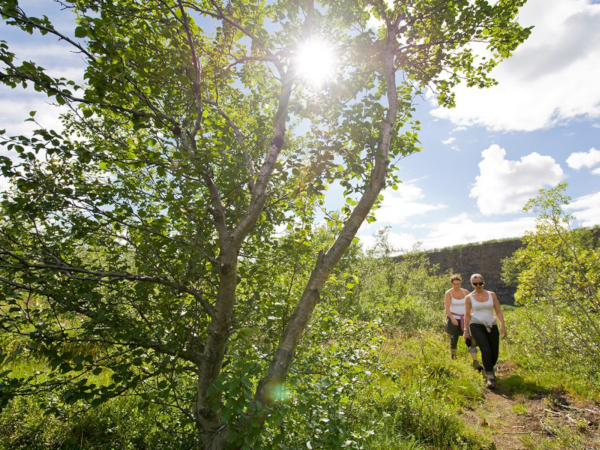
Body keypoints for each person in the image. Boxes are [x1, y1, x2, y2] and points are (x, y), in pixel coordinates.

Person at [463, 273, 507, 389]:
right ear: (472, 284)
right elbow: (467, 315)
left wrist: (502, 324)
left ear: (483, 282)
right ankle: (490, 377)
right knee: (485, 349)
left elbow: (498, 311)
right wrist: (465, 330)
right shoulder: (469, 298)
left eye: (480, 283)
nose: (478, 285)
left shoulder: (491, 295)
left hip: (491, 325)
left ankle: (488, 368)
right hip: (476, 325)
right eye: (475, 283)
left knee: (494, 352)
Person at [444, 274, 481, 370]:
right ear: (452, 284)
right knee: (453, 339)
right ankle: (453, 358)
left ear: (460, 283)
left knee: (469, 338)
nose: (457, 286)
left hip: (466, 318)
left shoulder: (465, 292)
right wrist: (452, 318)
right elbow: (447, 308)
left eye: (458, 284)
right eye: (455, 284)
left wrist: (472, 316)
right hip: (454, 317)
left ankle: (475, 361)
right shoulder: (449, 293)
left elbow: (471, 305)